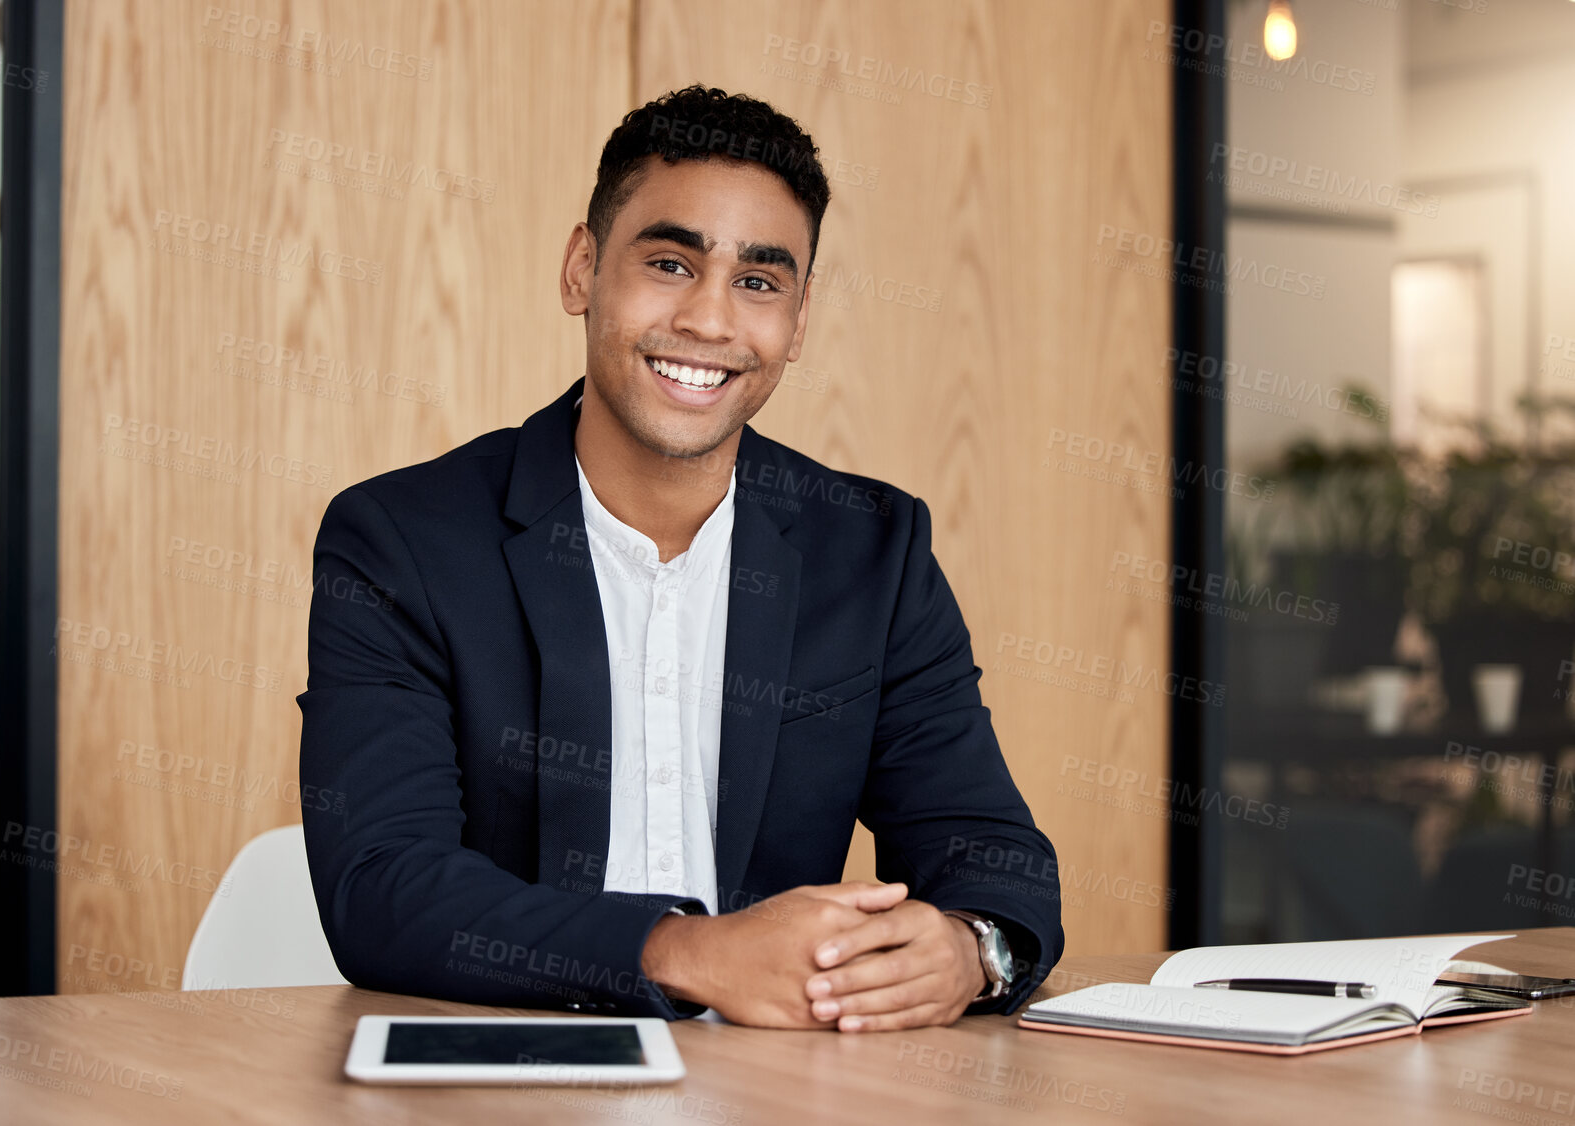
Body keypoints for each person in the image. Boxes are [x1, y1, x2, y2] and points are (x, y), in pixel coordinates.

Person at [299, 84, 1062, 1033]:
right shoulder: (402, 540)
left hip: (779, 1086)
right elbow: (384, 888)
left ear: (800, 314)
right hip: (509, 1078)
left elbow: (993, 852)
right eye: (669, 262)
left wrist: (966, 950)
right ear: (583, 270)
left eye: (758, 282)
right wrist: (692, 954)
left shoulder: (873, 552)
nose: (710, 321)